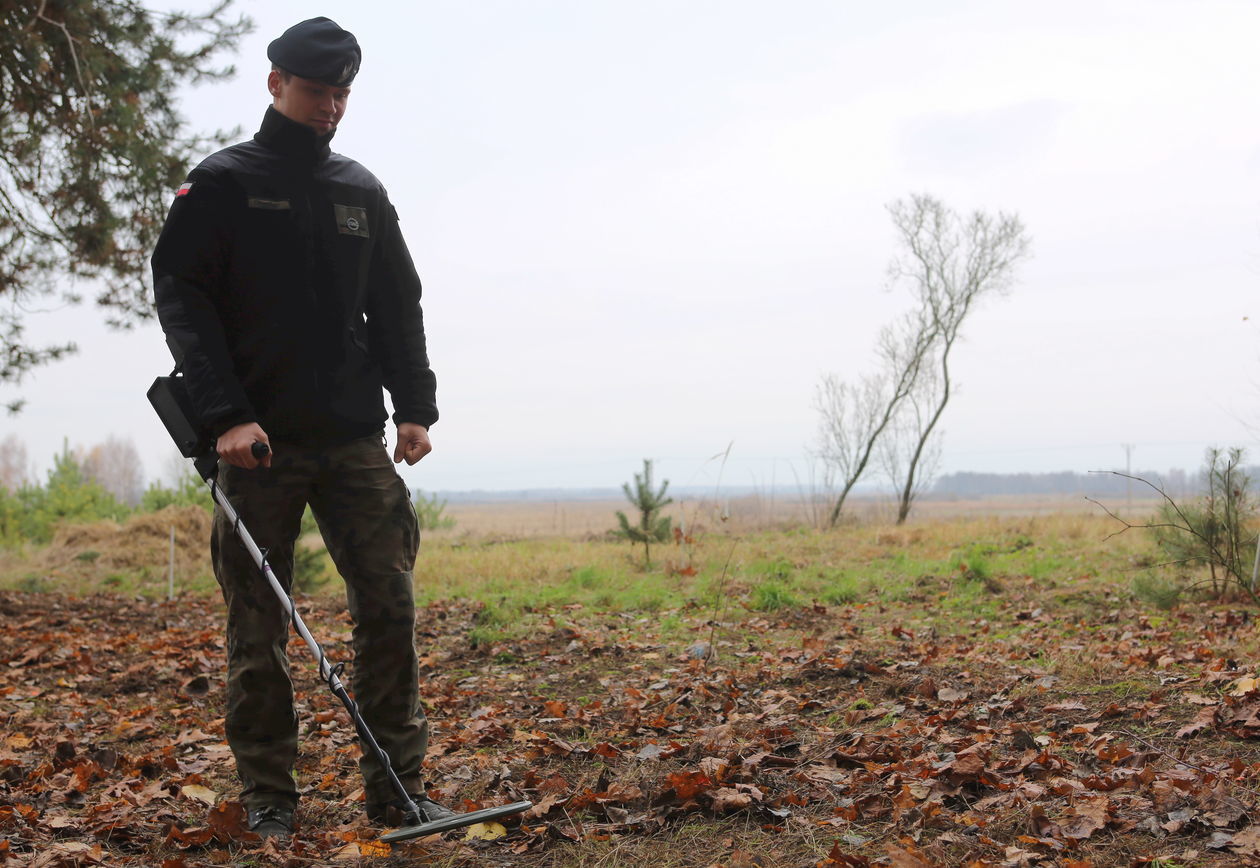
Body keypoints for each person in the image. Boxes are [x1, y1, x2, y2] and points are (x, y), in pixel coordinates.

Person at [151, 17, 451, 842]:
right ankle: (269, 800)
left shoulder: (360, 189)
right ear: (276, 81)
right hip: (258, 443)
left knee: (388, 608)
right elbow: (182, 297)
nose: (331, 106)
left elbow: (397, 305)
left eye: (343, 92)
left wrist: (415, 407)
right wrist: (225, 416)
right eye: (319, 89)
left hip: (355, 438)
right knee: (258, 628)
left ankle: (398, 793)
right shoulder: (221, 184)